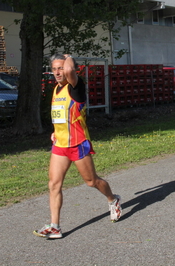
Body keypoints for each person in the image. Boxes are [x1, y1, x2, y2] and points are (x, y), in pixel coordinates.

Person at [33, 54, 122, 239]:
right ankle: (55, 226)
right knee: (54, 184)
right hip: (60, 145)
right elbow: (61, 116)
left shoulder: (76, 87)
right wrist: (55, 131)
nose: (58, 72)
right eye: (55, 68)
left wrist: (69, 57)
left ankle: (113, 200)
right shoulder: (56, 90)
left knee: (92, 182)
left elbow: (70, 70)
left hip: (78, 144)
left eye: (61, 68)